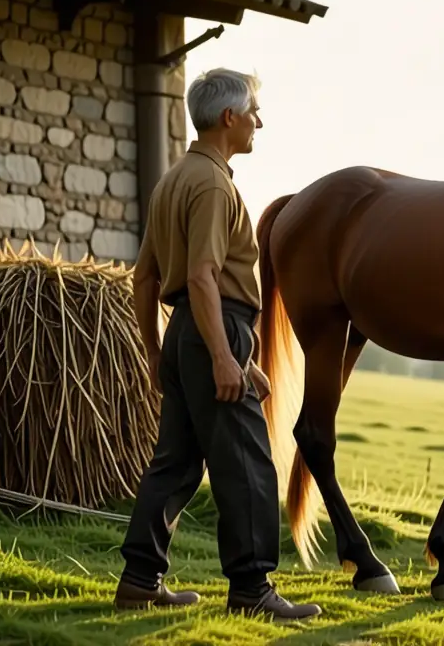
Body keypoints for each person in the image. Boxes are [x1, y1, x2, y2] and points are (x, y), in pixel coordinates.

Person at [114, 68, 321, 621]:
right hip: (212, 332)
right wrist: (226, 355)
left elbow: (145, 280)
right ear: (229, 118)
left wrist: (163, 353)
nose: (259, 121)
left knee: (176, 464)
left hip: (190, 335)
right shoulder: (212, 185)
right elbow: (204, 276)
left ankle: (139, 579)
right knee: (251, 463)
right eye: (254, 110)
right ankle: (253, 591)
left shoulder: (172, 181)